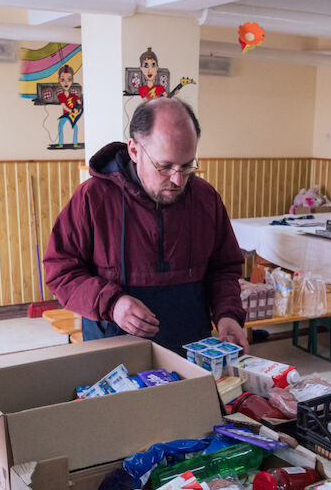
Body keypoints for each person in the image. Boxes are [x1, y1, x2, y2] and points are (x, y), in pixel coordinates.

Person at [42, 98, 248, 354]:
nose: (177, 179)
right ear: (134, 150)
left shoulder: (205, 198)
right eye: (164, 166)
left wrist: (227, 315)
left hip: (190, 349)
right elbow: (61, 271)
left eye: (187, 166)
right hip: (113, 349)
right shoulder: (92, 198)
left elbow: (224, 269)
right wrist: (113, 304)